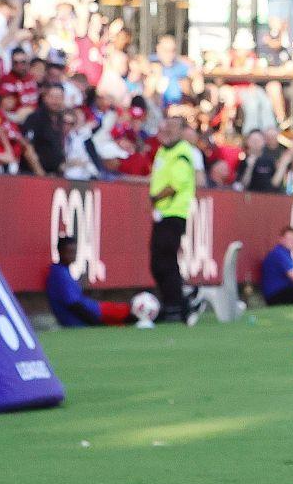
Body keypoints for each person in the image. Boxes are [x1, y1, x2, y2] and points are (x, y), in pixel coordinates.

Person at [148, 113, 203, 325]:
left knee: (165, 261)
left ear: (182, 131)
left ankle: (175, 306)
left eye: (173, 127)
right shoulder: (164, 150)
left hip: (174, 212)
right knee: (159, 261)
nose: (168, 130)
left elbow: (176, 184)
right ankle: (177, 303)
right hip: (163, 213)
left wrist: (154, 198)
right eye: (166, 126)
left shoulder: (182, 153)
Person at [45, 236, 135, 326]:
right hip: (92, 314)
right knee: (128, 313)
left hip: (94, 309)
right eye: (69, 252)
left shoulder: (63, 270)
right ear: (60, 252)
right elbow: (73, 305)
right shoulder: (59, 274)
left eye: (74, 252)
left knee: (126, 311)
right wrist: (96, 322)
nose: (73, 255)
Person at [20, 84, 68, 178]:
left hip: (55, 176)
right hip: (34, 176)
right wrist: (41, 175)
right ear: (45, 97)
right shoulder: (35, 118)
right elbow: (27, 148)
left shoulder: (61, 120)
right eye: (52, 97)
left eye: (59, 98)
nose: (55, 101)